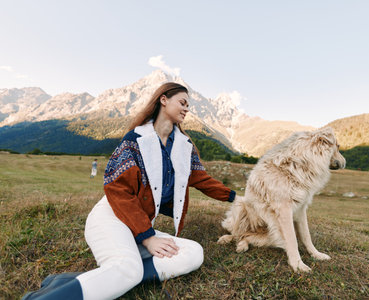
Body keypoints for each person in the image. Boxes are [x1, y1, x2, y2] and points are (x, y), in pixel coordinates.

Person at [23, 82, 236, 300]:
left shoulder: (184, 146)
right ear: (164, 100)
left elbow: (202, 180)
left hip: (139, 227)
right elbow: (117, 191)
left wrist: (236, 198)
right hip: (112, 218)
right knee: (129, 269)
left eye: (188, 105)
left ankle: (68, 282)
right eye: (182, 103)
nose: (186, 109)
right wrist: (148, 237)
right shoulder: (134, 140)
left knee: (193, 253)